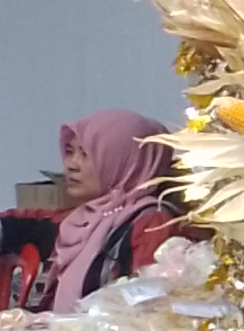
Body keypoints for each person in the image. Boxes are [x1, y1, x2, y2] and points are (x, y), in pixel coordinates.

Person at [44, 110, 171, 312]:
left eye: (86, 154)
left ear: (128, 161)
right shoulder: (84, 217)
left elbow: (148, 309)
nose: (71, 165)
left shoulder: (151, 223)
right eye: (69, 151)